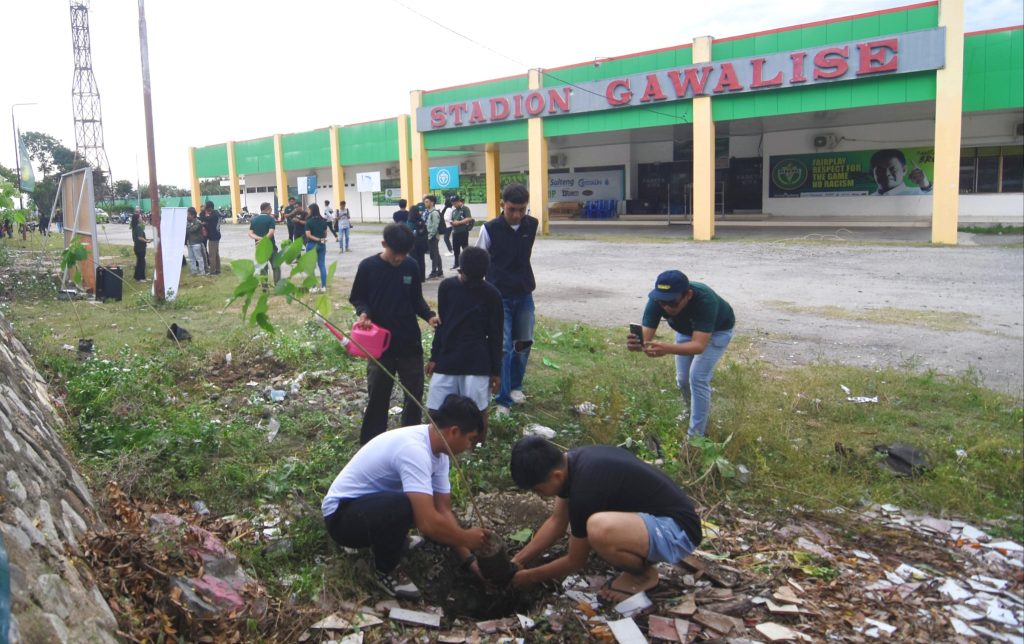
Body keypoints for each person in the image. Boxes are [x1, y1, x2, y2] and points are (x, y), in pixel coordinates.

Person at [321, 394, 490, 598]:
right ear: (454, 432)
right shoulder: (414, 450)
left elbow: (443, 509)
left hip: (369, 507)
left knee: (418, 501)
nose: (470, 446)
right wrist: (465, 537)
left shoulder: (440, 453)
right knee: (407, 505)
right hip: (342, 518)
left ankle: (392, 539)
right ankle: (385, 570)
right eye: (470, 439)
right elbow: (427, 522)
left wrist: (470, 561)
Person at [508, 436, 702, 600]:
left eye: (537, 489)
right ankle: (641, 560)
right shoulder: (573, 462)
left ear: (556, 475)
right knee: (593, 528)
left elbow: (575, 560)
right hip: (658, 521)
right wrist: (518, 560)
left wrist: (531, 577)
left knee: (598, 529)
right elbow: (557, 522)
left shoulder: (585, 489)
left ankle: (642, 575)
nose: (538, 495)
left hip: (677, 531)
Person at [350, 223, 439, 445]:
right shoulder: (368, 267)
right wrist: (364, 313)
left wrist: (428, 315)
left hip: (409, 341)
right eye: (395, 253)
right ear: (384, 244)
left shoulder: (410, 266)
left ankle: (410, 441)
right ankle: (372, 443)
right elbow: (358, 297)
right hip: (380, 345)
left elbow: (416, 299)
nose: (399, 259)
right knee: (378, 396)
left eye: (404, 254)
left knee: (414, 396)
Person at [628, 270, 734, 438]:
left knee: (697, 378)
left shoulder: (705, 299)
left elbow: (699, 345)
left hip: (717, 331)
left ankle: (696, 437)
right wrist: (638, 346)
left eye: (673, 303)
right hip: (686, 330)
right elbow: (646, 340)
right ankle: (692, 411)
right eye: (662, 302)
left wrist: (667, 348)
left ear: (688, 295)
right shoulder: (658, 300)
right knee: (682, 379)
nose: (667, 307)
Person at [426, 246, 503, 432]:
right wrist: (434, 357)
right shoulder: (446, 287)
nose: (474, 284)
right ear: (460, 270)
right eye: (470, 279)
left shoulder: (492, 295)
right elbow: (442, 325)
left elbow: (496, 335)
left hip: (477, 359)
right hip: (448, 356)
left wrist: (495, 371)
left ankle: (477, 450)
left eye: (479, 280)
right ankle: (435, 448)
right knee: (435, 409)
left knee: (477, 411)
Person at [476, 183, 537, 415]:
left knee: (523, 343)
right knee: (504, 346)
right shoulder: (489, 229)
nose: (517, 215)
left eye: (522, 209)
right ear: (502, 205)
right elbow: (478, 261)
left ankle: (515, 386)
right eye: (512, 209)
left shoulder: (531, 225)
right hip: (498, 296)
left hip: (524, 293)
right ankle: (503, 399)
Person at [248, 201, 281, 286]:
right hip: (271, 247)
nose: (271, 210)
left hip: (259, 248)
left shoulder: (254, 219)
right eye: (271, 209)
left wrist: (259, 239)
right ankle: (277, 286)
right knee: (276, 267)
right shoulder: (270, 219)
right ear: (268, 209)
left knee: (263, 268)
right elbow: (271, 232)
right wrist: (264, 239)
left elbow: (250, 233)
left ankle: (265, 288)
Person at [303, 203, 332, 293]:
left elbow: (308, 235)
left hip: (312, 245)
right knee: (322, 265)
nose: (307, 211)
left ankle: (314, 287)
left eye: (308, 209)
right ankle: (323, 287)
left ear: (312, 210)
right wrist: (321, 240)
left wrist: (317, 239)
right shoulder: (323, 220)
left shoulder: (309, 221)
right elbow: (325, 234)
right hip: (322, 245)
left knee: (311, 266)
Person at [448, 195, 474, 269]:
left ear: (459, 201)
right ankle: (456, 264)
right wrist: (452, 222)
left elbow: (469, 218)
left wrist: (459, 223)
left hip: (463, 232)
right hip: (455, 232)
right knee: (456, 250)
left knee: (465, 249)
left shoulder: (465, 209)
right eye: (453, 204)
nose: (454, 205)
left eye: (455, 203)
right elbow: (452, 220)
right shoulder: (454, 211)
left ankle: (468, 264)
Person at [407, 204, 429, 284]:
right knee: (421, 260)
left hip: (413, 245)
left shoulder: (410, 222)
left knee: (413, 261)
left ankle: (415, 278)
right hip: (422, 244)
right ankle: (422, 278)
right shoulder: (421, 220)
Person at [424, 195, 443, 279]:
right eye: (425, 201)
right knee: (435, 254)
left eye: (427, 201)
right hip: (431, 236)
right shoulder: (430, 212)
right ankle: (440, 271)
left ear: (432, 203)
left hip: (433, 237)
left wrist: (430, 235)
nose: (425, 203)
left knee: (434, 255)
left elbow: (435, 226)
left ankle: (434, 272)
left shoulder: (434, 213)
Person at [201, 201, 222, 275]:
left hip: (213, 236)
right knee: (216, 254)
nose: (204, 208)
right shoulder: (216, 213)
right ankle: (218, 269)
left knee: (212, 255)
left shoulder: (213, 215)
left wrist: (203, 211)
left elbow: (203, 218)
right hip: (216, 235)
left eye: (205, 206)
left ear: (209, 207)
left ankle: (212, 271)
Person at [130, 209, 151, 282]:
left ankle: (139, 277)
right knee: (141, 263)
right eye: (140, 217)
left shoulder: (136, 227)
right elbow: (139, 238)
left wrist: (147, 239)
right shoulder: (138, 228)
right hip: (140, 248)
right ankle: (140, 278)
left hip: (138, 247)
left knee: (140, 262)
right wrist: (147, 241)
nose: (141, 218)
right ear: (137, 219)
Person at [185, 207, 207, 275]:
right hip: (190, 243)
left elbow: (191, 230)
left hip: (196, 243)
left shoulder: (198, 222)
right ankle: (193, 271)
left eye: (188, 215)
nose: (187, 216)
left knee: (199, 258)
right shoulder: (189, 222)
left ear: (193, 215)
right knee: (191, 259)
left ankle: (202, 271)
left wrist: (188, 226)